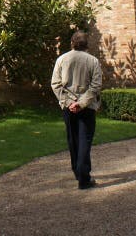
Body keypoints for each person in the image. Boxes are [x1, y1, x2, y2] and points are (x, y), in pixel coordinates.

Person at [50, 30, 102, 190]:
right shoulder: (92, 61)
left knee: (73, 139)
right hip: (86, 107)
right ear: (87, 44)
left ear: (72, 42)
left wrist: (68, 102)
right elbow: (95, 86)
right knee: (84, 140)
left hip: (68, 107)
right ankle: (83, 178)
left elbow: (55, 84)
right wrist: (81, 103)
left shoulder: (62, 59)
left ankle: (78, 171)